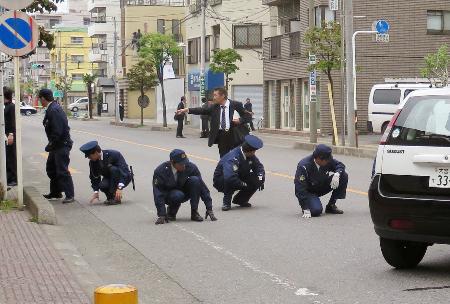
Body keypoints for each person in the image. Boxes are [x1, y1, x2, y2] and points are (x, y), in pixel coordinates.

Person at [176, 87, 250, 158]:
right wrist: (187, 110)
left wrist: (240, 120)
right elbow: (202, 110)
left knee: (237, 157)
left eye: (215, 95)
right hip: (222, 136)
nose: (213, 97)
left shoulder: (236, 104)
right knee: (224, 158)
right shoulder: (214, 107)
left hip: (234, 135)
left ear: (223, 96)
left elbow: (247, 116)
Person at [153, 149, 217, 224]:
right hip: (169, 195)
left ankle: (194, 212)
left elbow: (202, 187)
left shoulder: (190, 167)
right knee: (177, 195)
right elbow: (158, 193)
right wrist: (161, 214)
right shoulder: (161, 171)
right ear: (172, 162)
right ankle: (171, 212)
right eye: (181, 164)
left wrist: (209, 207)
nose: (184, 166)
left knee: (195, 180)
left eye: (185, 162)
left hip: (183, 191)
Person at [39, 89, 75, 204]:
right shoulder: (51, 108)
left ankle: (70, 195)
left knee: (62, 170)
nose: (40, 101)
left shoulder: (54, 110)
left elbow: (58, 131)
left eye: (40, 99)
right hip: (56, 145)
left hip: (61, 144)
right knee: (51, 169)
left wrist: (51, 144)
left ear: (43, 98)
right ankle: (56, 192)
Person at [213, 135, 265, 211]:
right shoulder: (233, 157)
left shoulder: (250, 155)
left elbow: (259, 167)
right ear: (250, 151)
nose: (254, 153)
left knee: (257, 179)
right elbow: (229, 177)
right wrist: (244, 184)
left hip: (238, 175)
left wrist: (260, 178)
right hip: (222, 180)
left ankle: (241, 200)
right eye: (254, 151)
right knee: (230, 179)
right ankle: (226, 202)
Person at [294, 144, 347, 218]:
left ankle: (331, 205)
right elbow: (299, 188)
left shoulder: (327, 160)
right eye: (327, 160)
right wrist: (305, 207)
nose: (329, 161)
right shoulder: (304, 165)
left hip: (322, 186)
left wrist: (337, 174)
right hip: (309, 191)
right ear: (318, 159)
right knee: (316, 211)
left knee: (343, 175)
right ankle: (310, 205)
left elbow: (340, 165)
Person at [80, 141, 132, 205]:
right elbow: (94, 177)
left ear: (96, 153)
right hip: (110, 178)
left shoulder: (114, 154)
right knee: (102, 186)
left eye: (89, 156)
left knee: (113, 169)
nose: (88, 158)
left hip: (123, 177)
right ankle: (111, 198)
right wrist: (96, 191)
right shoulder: (92, 162)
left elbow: (124, 171)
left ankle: (115, 197)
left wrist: (120, 188)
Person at [3, 87, 17, 187]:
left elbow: (13, 121)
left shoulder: (11, 106)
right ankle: (8, 177)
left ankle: (13, 178)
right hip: (5, 135)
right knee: (7, 157)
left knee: (11, 157)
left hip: (10, 135)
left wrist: (11, 134)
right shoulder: (5, 106)